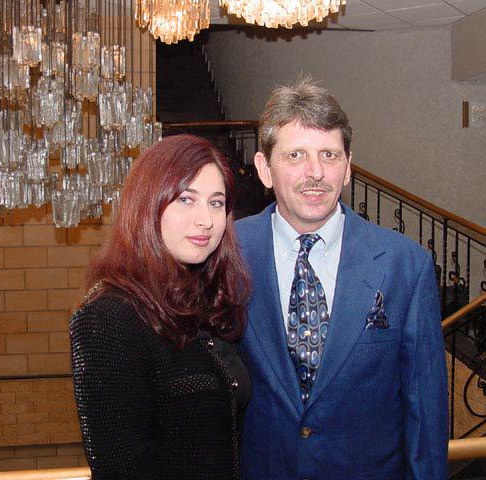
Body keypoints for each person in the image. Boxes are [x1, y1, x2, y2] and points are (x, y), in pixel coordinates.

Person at [236, 79, 448, 479]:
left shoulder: (405, 266)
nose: (315, 172)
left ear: (348, 167)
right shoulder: (227, 254)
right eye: (295, 155)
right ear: (264, 169)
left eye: (329, 155)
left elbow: (426, 412)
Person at [69, 134, 251, 480]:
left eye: (216, 203)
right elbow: (121, 469)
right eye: (186, 199)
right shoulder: (107, 317)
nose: (206, 220)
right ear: (148, 204)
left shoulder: (210, 302)